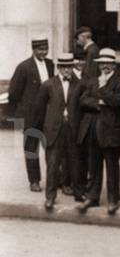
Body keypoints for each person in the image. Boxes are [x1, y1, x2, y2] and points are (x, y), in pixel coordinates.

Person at [74, 48, 120, 214]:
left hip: (111, 131)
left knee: (112, 166)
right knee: (93, 166)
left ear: (114, 65)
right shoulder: (92, 81)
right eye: (102, 63)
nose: (105, 66)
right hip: (93, 130)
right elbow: (83, 101)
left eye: (108, 63)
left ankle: (112, 200)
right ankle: (92, 197)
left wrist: (103, 90)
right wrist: (100, 103)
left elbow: (118, 103)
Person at [9, 36, 53, 193]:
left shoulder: (50, 64)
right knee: (31, 149)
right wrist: (20, 115)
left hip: (48, 115)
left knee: (51, 148)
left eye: (46, 49)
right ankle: (34, 181)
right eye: (40, 49)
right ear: (33, 50)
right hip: (30, 117)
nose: (44, 52)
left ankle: (55, 179)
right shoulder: (24, 67)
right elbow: (13, 92)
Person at [36, 53, 80, 210]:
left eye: (70, 66)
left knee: (75, 161)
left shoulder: (79, 84)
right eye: (64, 67)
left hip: (72, 128)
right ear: (59, 68)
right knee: (53, 164)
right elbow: (40, 111)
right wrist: (42, 131)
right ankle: (50, 197)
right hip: (53, 129)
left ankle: (78, 192)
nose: (67, 70)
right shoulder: (48, 84)